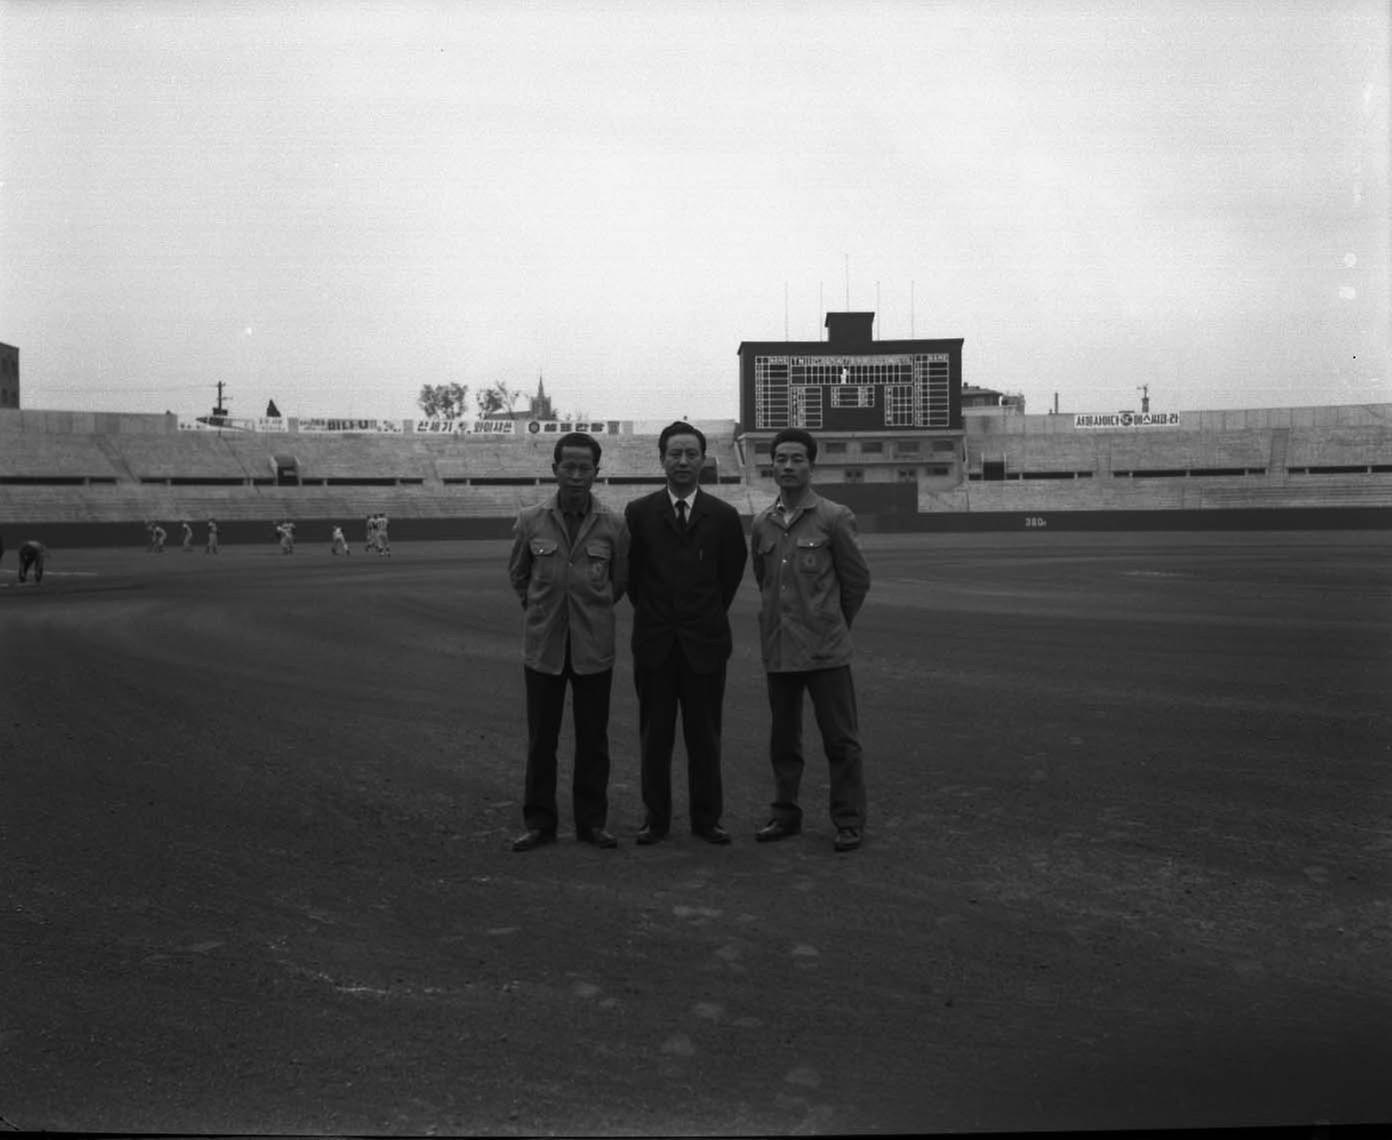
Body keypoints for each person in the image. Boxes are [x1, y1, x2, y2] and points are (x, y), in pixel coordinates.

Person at [625, 421, 747, 846]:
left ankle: (706, 819)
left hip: (705, 646)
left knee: (705, 738)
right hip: (655, 645)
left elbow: (729, 577)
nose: (682, 461)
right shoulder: (638, 514)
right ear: (661, 459)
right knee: (654, 738)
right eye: (674, 454)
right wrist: (662, 617)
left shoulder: (725, 516)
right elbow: (633, 579)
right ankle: (655, 819)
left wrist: (700, 617)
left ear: (702, 459)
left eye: (690, 454)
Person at [749, 428, 872, 853]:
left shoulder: (834, 518)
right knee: (784, 741)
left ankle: (849, 819)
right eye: (780, 459)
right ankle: (785, 814)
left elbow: (856, 580)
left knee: (840, 740)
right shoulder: (763, 523)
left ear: (811, 465)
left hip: (825, 650)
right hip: (780, 648)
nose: (786, 466)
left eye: (796, 459)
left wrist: (834, 623)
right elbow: (763, 579)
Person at [507, 431, 629, 852]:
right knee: (542, 740)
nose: (576, 475)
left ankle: (592, 823)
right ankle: (539, 823)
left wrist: (587, 612)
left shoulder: (614, 524)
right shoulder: (530, 520)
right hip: (544, 649)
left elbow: (619, 583)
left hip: (594, 648)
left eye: (585, 468)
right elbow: (519, 575)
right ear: (554, 469)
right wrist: (542, 611)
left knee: (593, 740)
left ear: (597, 472)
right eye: (568, 467)